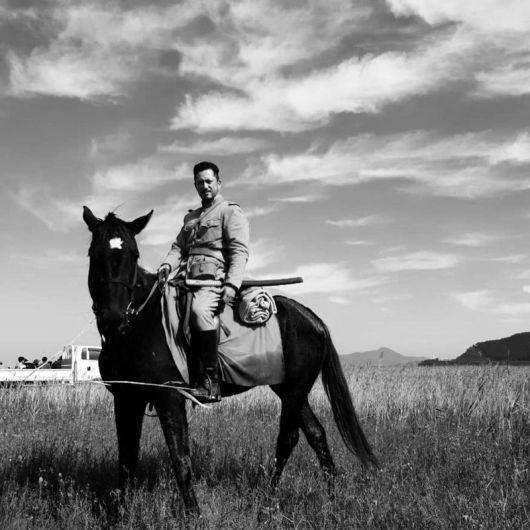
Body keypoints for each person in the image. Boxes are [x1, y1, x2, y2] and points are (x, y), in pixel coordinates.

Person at [157, 161, 249, 402]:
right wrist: (167, 264)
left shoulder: (229, 211)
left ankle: (210, 381)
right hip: (185, 277)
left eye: (209, 181)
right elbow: (178, 247)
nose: (205, 186)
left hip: (213, 280)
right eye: (200, 182)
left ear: (219, 182)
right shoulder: (191, 217)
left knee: (199, 311)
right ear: (195, 185)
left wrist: (232, 284)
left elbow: (239, 251)